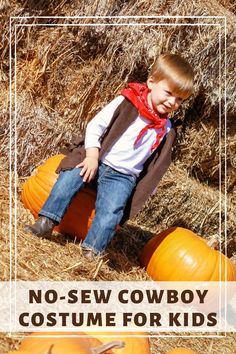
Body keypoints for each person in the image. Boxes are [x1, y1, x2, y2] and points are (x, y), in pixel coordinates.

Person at [25, 53, 194, 259]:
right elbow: (96, 125)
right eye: (168, 93)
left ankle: (92, 251)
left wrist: (146, 190)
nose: (172, 102)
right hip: (97, 159)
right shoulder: (127, 102)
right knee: (68, 179)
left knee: (111, 213)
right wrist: (91, 156)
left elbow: (157, 166)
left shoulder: (166, 130)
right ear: (151, 82)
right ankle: (46, 222)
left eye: (179, 100)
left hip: (122, 177)